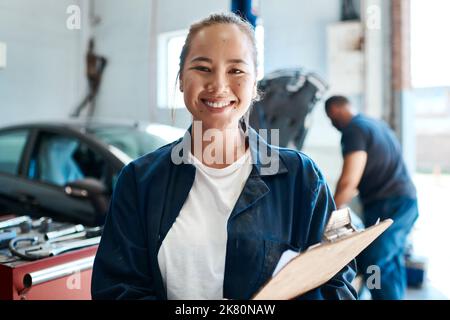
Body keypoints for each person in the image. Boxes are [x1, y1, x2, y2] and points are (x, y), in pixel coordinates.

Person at [91, 13, 357, 300]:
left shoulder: (301, 178)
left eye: (236, 71)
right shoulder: (139, 181)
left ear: (255, 85)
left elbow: (337, 283)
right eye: (203, 68)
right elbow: (115, 290)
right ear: (181, 79)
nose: (218, 85)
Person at [325, 95, 419, 300]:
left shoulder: (353, 130)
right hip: (405, 202)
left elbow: (350, 181)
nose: (333, 125)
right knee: (390, 261)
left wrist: (330, 213)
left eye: (331, 120)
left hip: (389, 204)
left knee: (374, 261)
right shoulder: (376, 125)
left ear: (335, 112)